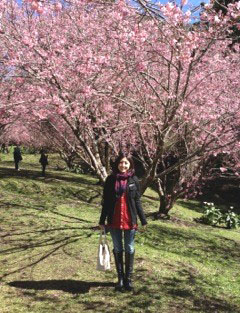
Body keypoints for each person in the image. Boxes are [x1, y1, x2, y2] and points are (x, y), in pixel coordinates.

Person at [99, 153, 147, 292]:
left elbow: (137, 200)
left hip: (129, 220)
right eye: (121, 162)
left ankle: (128, 279)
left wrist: (143, 220)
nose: (123, 165)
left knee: (130, 248)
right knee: (118, 248)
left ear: (130, 165)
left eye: (126, 163)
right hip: (114, 220)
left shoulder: (134, 180)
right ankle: (120, 278)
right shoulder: (110, 180)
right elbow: (106, 202)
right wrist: (102, 221)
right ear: (117, 164)